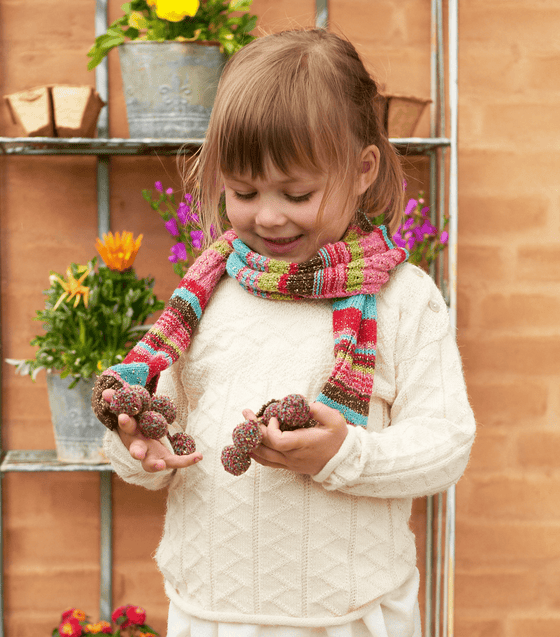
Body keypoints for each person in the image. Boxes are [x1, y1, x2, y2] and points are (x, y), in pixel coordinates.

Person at [92, 28, 475, 637]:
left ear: (361, 171)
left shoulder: (403, 300)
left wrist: (345, 455)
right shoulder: (205, 295)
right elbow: (163, 433)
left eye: (297, 193)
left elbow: (446, 443)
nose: (267, 216)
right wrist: (141, 445)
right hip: (210, 610)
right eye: (243, 192)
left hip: (346, 616)